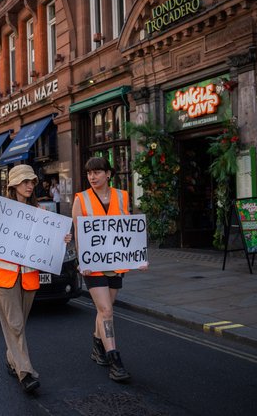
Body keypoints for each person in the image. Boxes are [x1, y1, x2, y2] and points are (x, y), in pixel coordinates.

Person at [0, 164, 71, 393]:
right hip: (5, 277)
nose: (30, 186)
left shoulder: (41, 212)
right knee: (14, 324)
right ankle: (26, 372)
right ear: (13, 185)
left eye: (32, 181)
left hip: (29, 278)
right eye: (25, 182)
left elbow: (49, 244)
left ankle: (11, 358)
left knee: (19, 325)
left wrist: (62, 238)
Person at [71, 156, 142, 383]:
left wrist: (137, 256)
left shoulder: (122, 196)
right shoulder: (80, 199)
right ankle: (114, 359)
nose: (92, 177)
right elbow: (78, 234)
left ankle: (96, 346)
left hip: (116, 263)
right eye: (89, 173)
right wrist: (83, 262)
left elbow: (129, 230)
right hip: (94, 266)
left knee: (104, 310)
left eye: (98, 172)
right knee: (107, 311)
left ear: (108, 174)